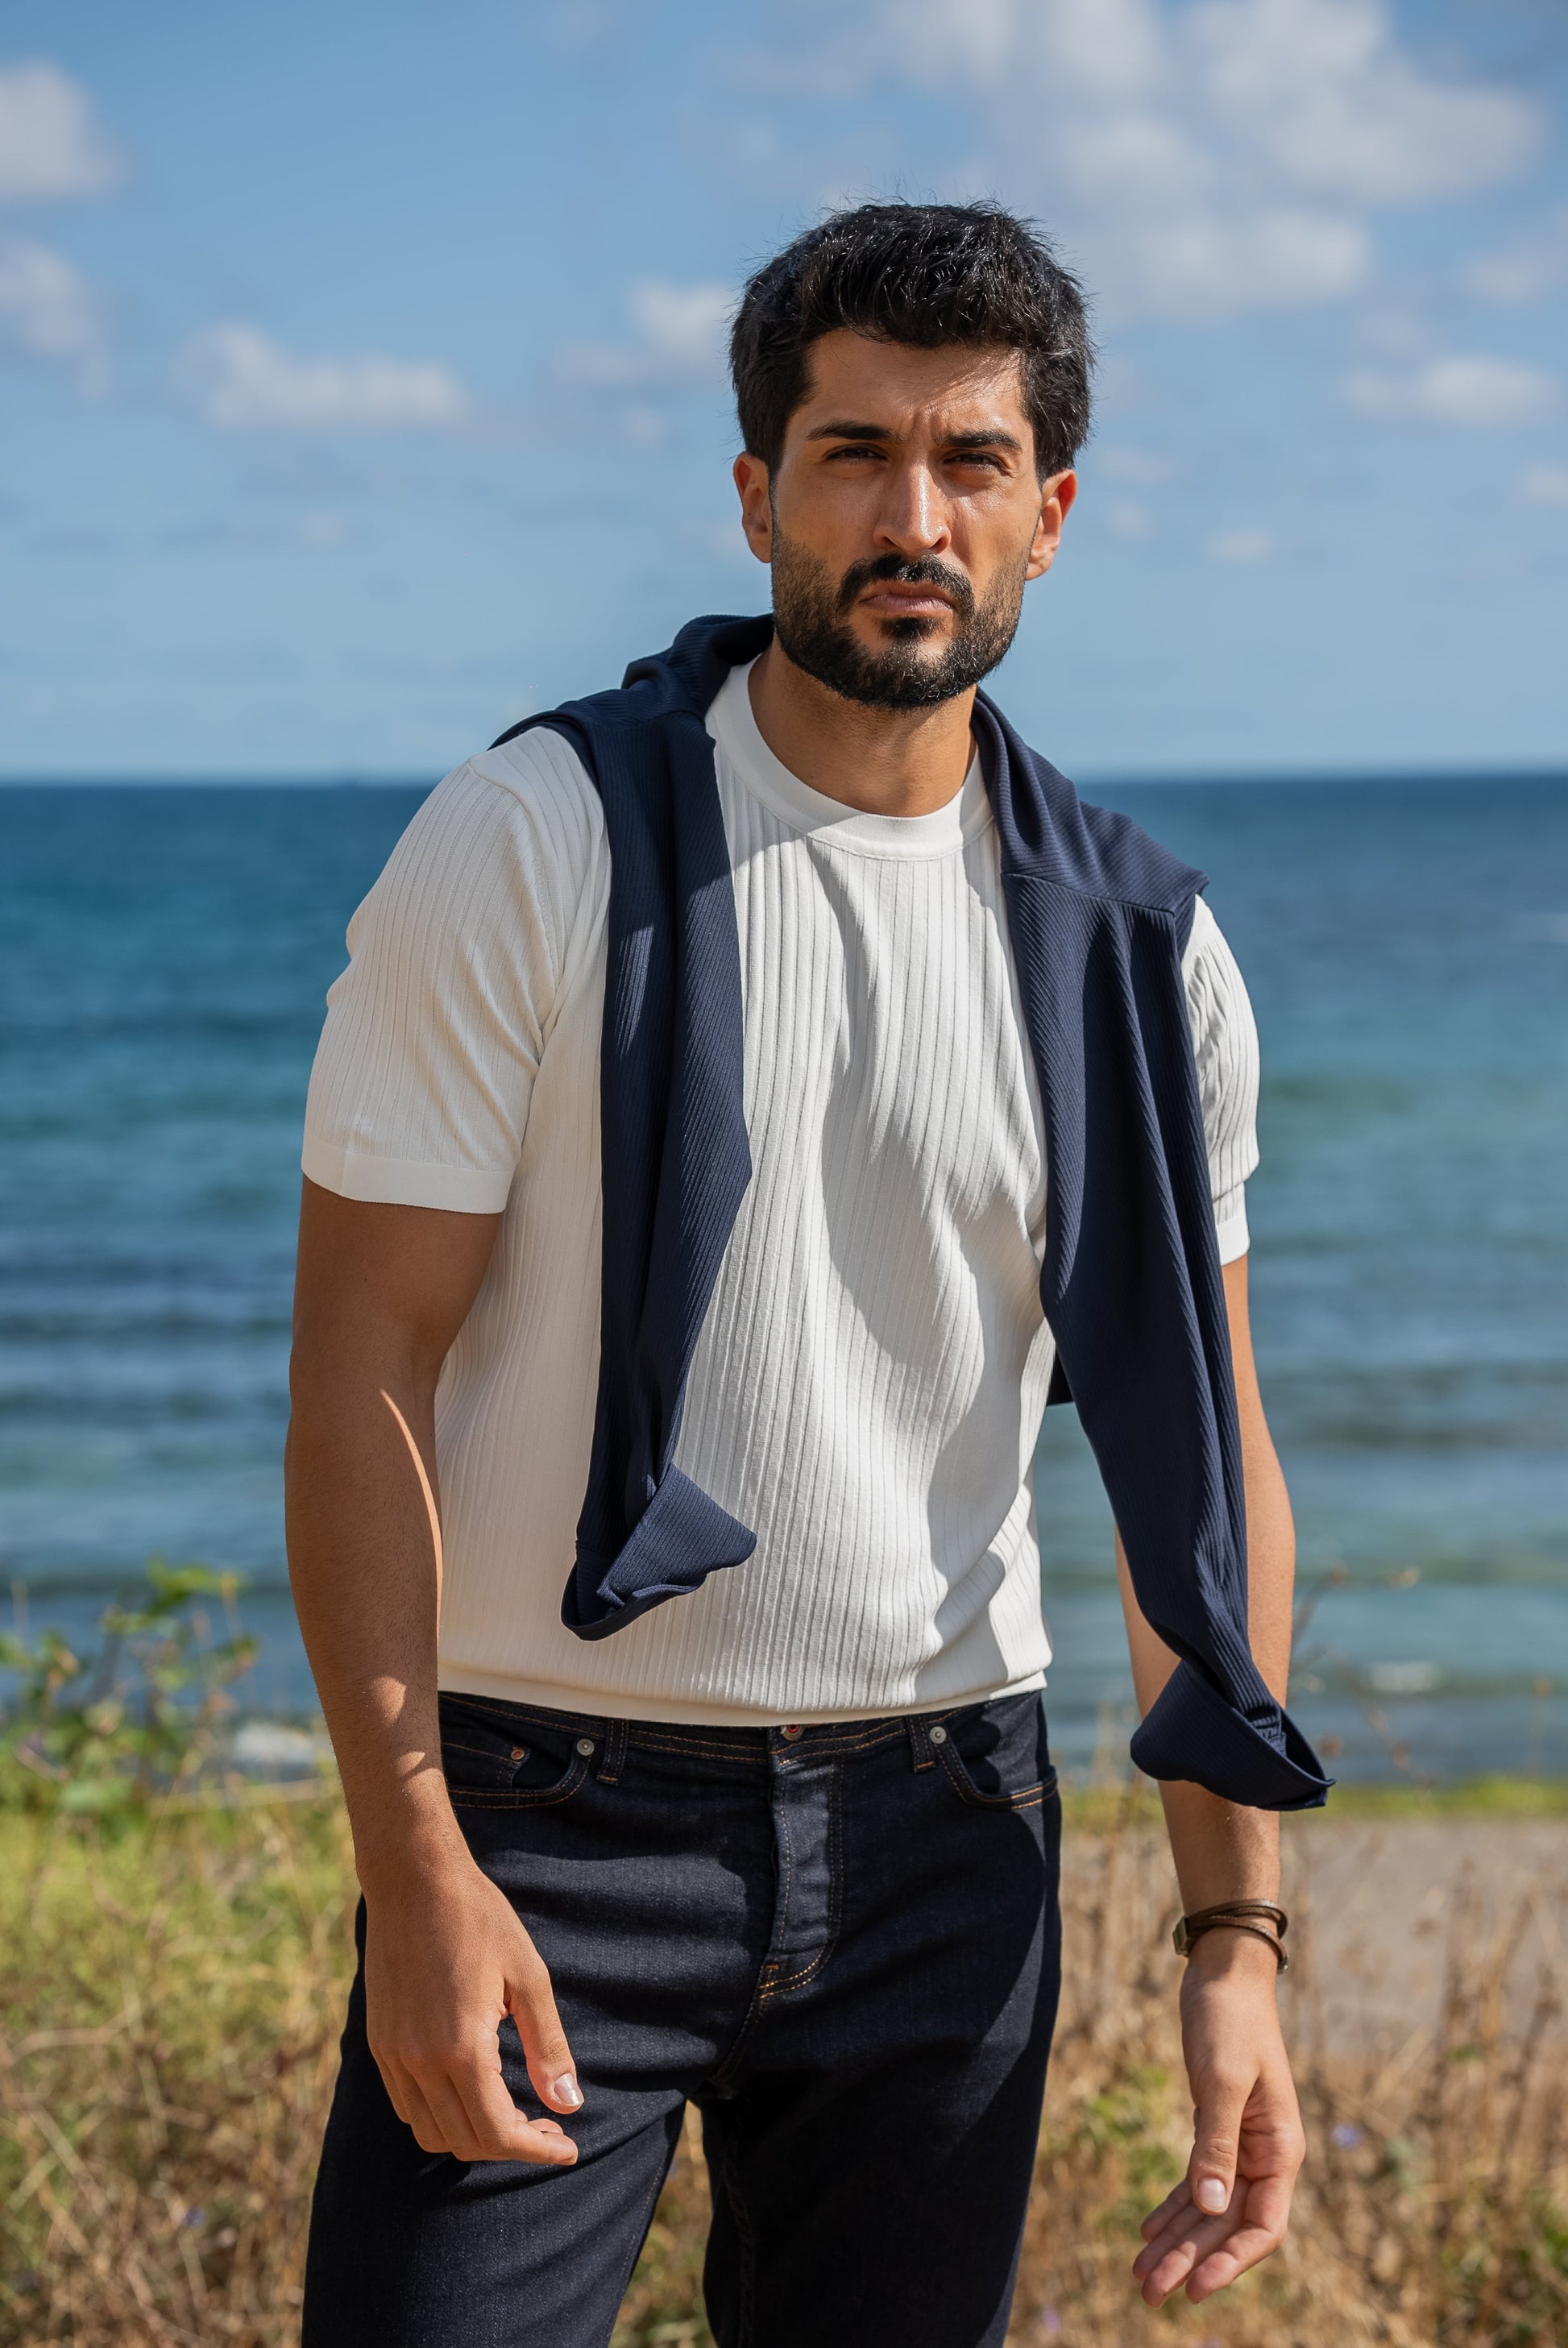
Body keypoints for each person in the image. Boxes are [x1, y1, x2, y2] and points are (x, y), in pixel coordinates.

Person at [287, 200, 1328, 2348]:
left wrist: (1237, 1935)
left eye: (965, 464)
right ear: (757, 492)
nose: (909, 515)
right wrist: (411, 1856)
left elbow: (1200, 1466)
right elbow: (361, 1360)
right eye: (852, 455)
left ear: (1048, 515)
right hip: (548, 1813)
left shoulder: (1139, 949)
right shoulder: (539, 836)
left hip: (948, 1831)